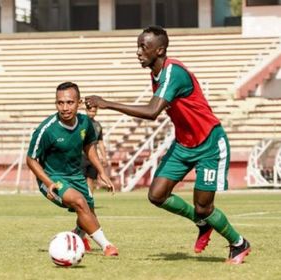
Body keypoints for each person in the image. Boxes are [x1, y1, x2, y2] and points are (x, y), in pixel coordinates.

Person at [85, 26, 251, 264]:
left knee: (204, 207)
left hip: (209, 144)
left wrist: (106, 103)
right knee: (157, 195)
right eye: (138, 46)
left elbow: (153, 111)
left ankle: (239, 243)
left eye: (144, 47)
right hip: (184, 144)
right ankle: (202, 223)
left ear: (160, 50)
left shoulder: (173, 72)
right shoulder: (156, 73)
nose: (138, 52)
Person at [26, 81, 118, 256]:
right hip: (53, 177)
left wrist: (101, 172)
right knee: (80, 202)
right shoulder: (46, 130)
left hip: (76, 176)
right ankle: (107, 246)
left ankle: (77, 236)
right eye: (60, 103)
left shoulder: (85, 122)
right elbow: (31, 159)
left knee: (89, 212)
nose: (65, 107)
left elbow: (90, 147)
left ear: (79, 103)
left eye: (70, 102)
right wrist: (48, 182)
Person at [82, 105, 109, 194]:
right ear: (86, 110)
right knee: (81, 179)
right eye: (90, 111)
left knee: (91, 179)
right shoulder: (81, 123)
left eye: (94, 111)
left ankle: (89, 201)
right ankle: (79, 201)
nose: (92, 113)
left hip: (94, 157)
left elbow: (100, 142)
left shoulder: (97, 125)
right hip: (81, 155)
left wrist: (104, 156)